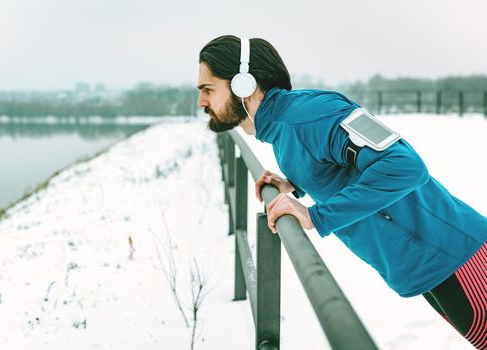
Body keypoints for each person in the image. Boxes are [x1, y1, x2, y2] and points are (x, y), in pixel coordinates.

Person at [197, 35, 487, 349]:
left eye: (208, 89)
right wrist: (295, 185)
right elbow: (335, 165)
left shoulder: (311, 114)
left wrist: (316, 216)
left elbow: (404, 165)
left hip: (458, 255)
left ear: (244, 85)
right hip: (429, 268)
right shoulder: (282, 129)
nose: (201, 102)